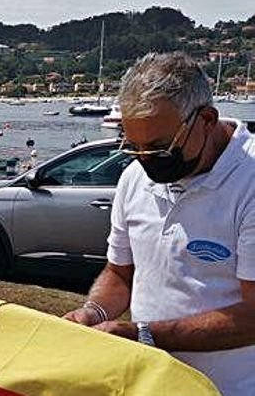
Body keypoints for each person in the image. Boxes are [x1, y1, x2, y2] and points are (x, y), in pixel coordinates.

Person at [63, 52, 255, 395]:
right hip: (150, 384)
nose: (146, 161)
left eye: (159, 147)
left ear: (207, 120)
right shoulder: (135, 177)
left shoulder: (249, 181)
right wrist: (92, 312)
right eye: (134, 146)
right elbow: (121, 273)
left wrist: (145, 334)